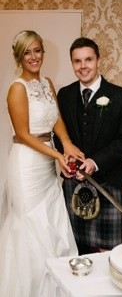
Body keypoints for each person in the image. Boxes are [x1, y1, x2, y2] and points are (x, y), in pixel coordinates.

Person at [0, 30, 85, 297]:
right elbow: (23, 134)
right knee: (29, 224)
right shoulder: (17, 88)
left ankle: (53, 288)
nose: (34, 57)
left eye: (37, 50)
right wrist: (58, 155)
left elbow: (55, 118)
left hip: (47, 159)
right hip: (26, 164)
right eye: (27, 52)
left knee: (51, 219)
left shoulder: (47, 83)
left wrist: (66, 142)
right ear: (19, 57)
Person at [53, 37, 122, 255]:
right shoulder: (65, 94)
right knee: (73, 243)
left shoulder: (121, 96)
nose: (83, 66)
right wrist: (64, 157)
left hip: (107, 179)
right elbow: (58, 133)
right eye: (77, 61)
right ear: (72, 63)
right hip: (73, 181)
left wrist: (95, 162)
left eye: (88, 59)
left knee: (108, 250)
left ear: (98, 60)